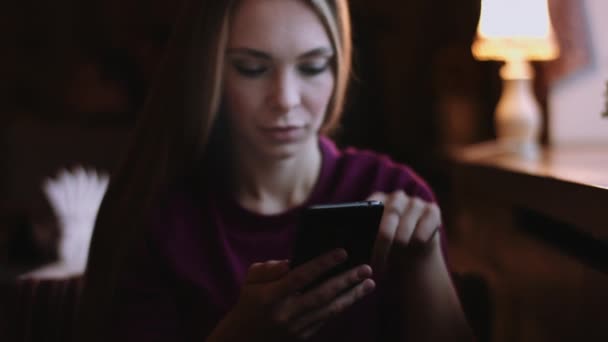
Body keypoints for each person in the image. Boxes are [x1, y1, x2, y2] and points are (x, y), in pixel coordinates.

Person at [76, 0, 473, 341]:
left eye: (313, 67)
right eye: (252, 68)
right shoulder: (157, 217)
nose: (285, 99)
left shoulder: (396, 195)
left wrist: (424, 263)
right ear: (207, 71)